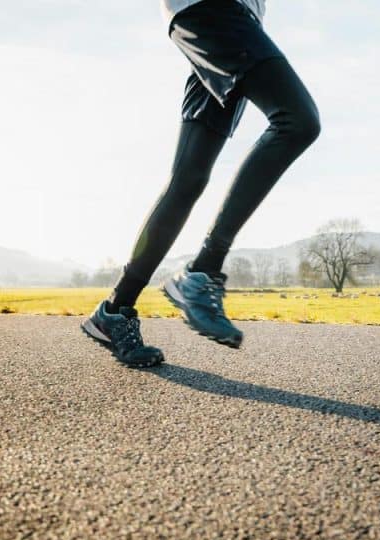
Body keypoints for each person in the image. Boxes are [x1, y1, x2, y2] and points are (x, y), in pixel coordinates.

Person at [82, 0, 320, 366]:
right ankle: (203, 270)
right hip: (215, 12)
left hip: (225, 20)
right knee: (297, 120)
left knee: (188, 180)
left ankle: (114, 311)